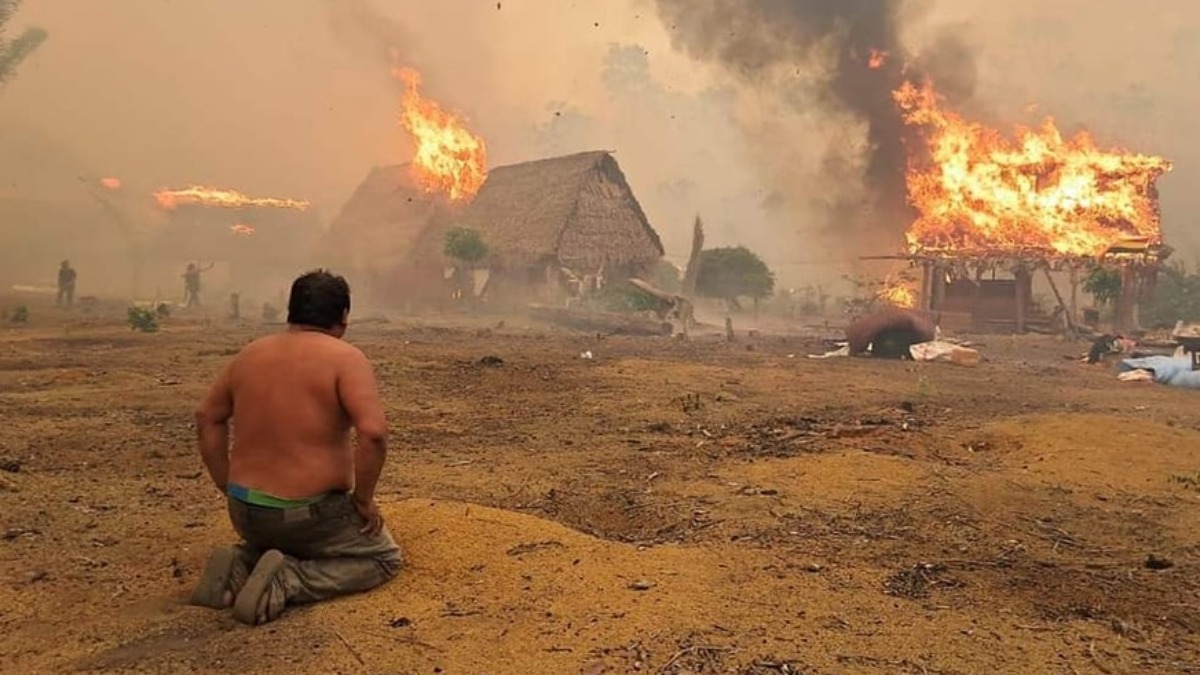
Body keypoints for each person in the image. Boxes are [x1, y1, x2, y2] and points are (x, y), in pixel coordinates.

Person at [190, 269, 402, 626]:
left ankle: (241, 565)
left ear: (291, 311)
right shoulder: (345, 358)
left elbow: (207, 417)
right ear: (344, 317)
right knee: (383, 559)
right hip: (308, 516)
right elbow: (374, 433)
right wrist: (363, 500)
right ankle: (289, 580)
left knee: (279, 538)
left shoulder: (250, 354)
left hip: (243, 511)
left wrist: (225, 483)